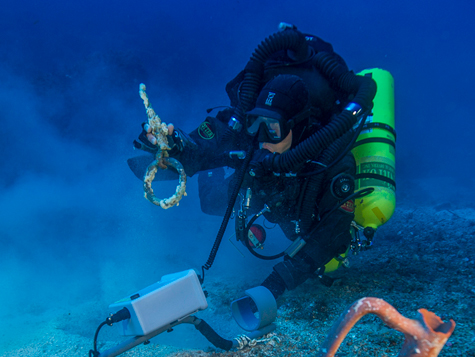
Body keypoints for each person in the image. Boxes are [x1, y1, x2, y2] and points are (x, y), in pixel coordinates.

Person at [130, 25, 378, 302]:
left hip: (308, 208)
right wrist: (174, 147)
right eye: (255, 123)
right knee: (211, 201)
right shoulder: (248, 132)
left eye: (272, 129)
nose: (261, 138)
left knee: (330, 255)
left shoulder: (331, 154)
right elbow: (204, 142)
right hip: (264, 188)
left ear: (298, 126)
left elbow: (331, 237)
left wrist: (275, 284)